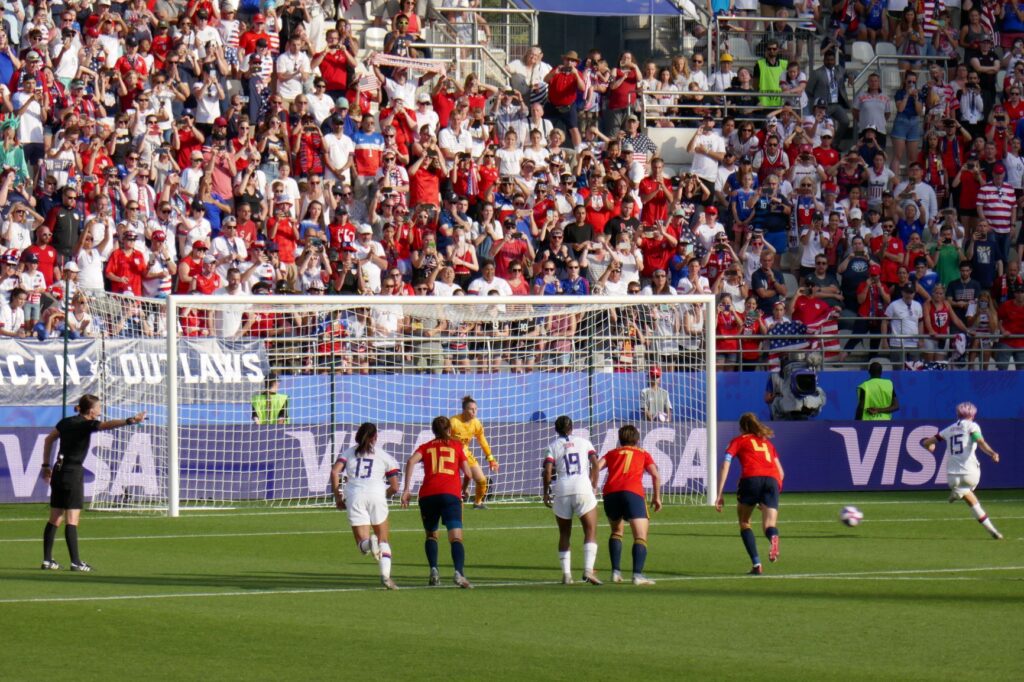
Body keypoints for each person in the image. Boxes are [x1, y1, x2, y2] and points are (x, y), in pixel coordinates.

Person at [40, 394, 147, 571]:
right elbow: (107, 425)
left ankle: (47, 560)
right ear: (91, 411)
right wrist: (131, 420)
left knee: (55, 518)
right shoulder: (85, 424)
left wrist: (45, 464)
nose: (100, 411)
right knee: (72, 520)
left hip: (58, 472)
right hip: (72, 473)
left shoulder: (66, 422)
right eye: (98, 408)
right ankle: (75, 562)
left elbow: (48, 439)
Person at [401, 415, 482, 588]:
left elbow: (410, 461)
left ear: (433, 431)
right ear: (449, 430)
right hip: (450, 495)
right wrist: (464, 488)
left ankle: (434, 571)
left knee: (431, 535)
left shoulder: (426, 446)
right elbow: (468, 474)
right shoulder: (457, 446)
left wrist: (407, 490)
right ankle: (459, 573)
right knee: (456, 537)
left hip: (428, 495)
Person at [329, 422, 400, 590]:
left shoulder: (349, 453)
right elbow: (395, 486)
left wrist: (338, 495)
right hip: (377, 494)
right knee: (383, 540)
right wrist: (386, 495)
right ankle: (386, 577)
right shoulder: (384, 456)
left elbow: (334, 472)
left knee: (363, 546)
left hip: (355, 496)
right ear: (375, 437)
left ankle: (370, 543)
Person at [714, 412, 784, 575]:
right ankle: (773, 538)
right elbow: (781, 473)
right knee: (769, 526)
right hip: (772, 482)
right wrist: (770, 496)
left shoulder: (738, 441)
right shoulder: (767, 444)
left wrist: (720, 493)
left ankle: (757, 564)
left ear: (742, 428)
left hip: (751, 479)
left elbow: (726, 464)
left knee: (745, 522)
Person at [920, 402, 1003, 540]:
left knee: (970, 499)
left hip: (952, 477)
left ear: (957, 414)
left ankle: (958, 493)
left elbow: (927, 442)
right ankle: (959, 493)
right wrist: (992, 453)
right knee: (971, 493)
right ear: (973, 415)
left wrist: (931, 447)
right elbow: (980, 441)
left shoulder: (949, 429)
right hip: (970, 473)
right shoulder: (972, 426)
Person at [595, 424, 662, 585]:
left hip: (611, 493)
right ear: (637, 440)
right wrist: (657, 497)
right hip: (632, 493)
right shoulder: (643, 453)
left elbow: (596, 467)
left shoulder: (611, 453)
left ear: (619, 440)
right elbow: (655, 475)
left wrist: (593, 487)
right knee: (640, 536)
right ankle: (637, 576)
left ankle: (615, 572)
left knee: (616, 532)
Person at [542, 415, 602, 585]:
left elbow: (547, 472)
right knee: (590, 530)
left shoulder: (552, 446)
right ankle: (588, 570)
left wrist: (546, 492)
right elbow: (596, 464)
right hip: (583, 488)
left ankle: (567, 575)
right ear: (572, 428)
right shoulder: (584, 442)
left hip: (562, 489)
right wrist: (594, 484)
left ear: (556, 429)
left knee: (564, 533)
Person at [450, 395, 497, 509]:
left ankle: (478, 503)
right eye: (472, 409)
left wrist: (490, 458)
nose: (474, 411)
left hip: (465, 454)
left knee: (481, 480)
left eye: (476, 409)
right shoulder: (454, 422)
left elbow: (482, 440)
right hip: (452, 454)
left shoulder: (476, 423)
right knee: (450, 482)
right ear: (464, 410)